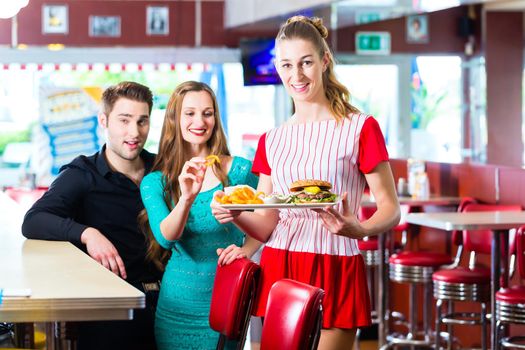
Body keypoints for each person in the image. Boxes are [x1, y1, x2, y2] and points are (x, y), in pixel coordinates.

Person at [211, 16, 400, 349]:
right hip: (280, 261)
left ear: (324, 61)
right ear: (277, 67)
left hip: (335, 259)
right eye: (286, 65)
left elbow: (391, 209)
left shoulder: (360, 128)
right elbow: (267, 222)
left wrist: (358, 229)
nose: (296, 75)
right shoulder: (272, 139)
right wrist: (235, 212)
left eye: (306, 63)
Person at [22, 81, 161, 350]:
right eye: (124, 120)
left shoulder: (163, 168)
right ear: (103, 121)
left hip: (171, 303)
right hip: (113, 312)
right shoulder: (83, 174)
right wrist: (88, 233)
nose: (134, 132)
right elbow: (34, 219)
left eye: (142, 121)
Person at [138, 81, 261, 350]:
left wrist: (248, 249)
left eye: (207, 113)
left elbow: (269, 218)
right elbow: (165, 238)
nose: (200, 121)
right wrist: (186, 198)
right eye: (190, 113)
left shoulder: (240, 170)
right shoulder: (155, 182)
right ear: (175, 119)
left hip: (228, 300)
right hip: (176, 307)